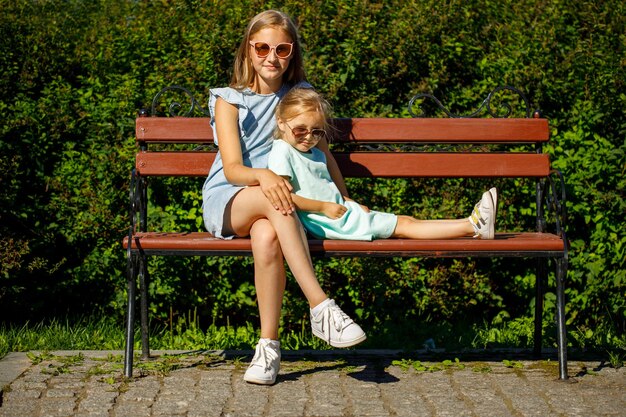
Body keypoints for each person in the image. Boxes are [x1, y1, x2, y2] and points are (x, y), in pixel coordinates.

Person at [201, 10, 366, 386]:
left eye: (281, 48)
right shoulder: (229, 100)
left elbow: (324, 155)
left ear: (292, 54)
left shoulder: (299, 97)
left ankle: (268, 349)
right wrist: (264, 175)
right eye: (261, 47)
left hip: (277, 205)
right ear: (247, 52)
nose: (270, 57)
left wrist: (345, 198)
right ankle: (320, 305)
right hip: (231, 197)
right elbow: (232, 170)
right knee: (272, 196)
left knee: (266, 236)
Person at [267, 88, 498, 244]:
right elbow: (286, 198)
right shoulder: (282, 150)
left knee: (407, 222)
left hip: (339, 216)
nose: (309, 137)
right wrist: (324, 208)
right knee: (405, 225)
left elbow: (324, 187)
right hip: (328, 222)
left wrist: (348, 201)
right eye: (300, 130)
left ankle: (472, 224)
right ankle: (472, 226)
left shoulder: (314, 153)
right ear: (281, 123)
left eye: (317, 131)